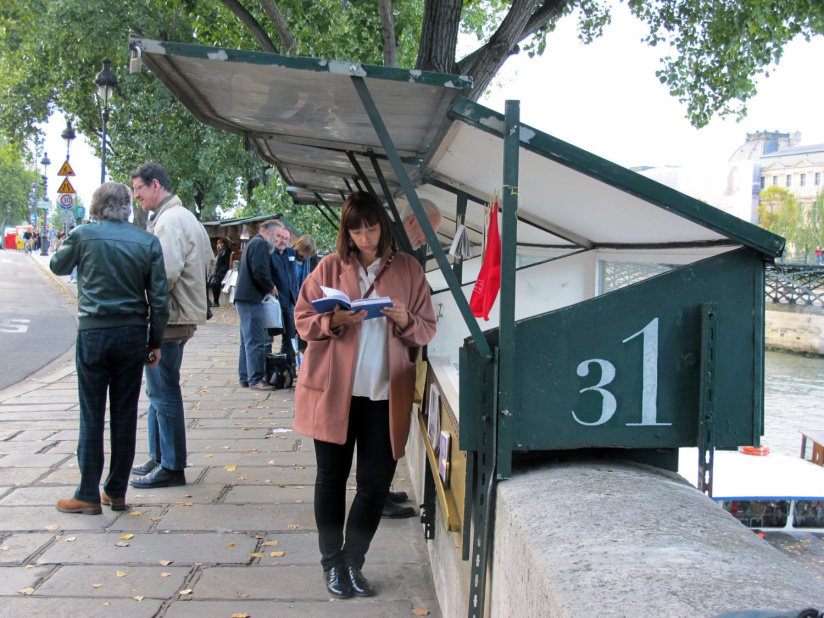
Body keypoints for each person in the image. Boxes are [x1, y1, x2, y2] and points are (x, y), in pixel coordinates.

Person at [293, 191, 437, 598]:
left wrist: (407, 320)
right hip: (335, 391)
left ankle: (353, 561)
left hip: (385, 394)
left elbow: (426, 328)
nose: (365, 236)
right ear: (347, 232)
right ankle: (331, 563)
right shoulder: (330, 267)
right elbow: (302, 318)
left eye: (371, 227)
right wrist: (334, 319)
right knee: (331, 479)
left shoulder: (408, 269)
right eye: (356, 229)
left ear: (383, 226)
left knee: (374, 485)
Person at [50, 182, 169, 514]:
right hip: (132, 335)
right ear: (128, 207)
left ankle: (87, 492)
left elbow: (57, 266)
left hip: (94, 333)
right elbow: (159, 300)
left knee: (91, 414)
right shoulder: (147, 241)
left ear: (95, 207)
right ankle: (115, 491)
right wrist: (155, 342)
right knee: (124, 414)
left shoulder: (84, 235)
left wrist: (72, 237)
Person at [129, 162, 214, 489]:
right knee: (158, 388)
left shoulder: (169, 221)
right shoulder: (185, 216)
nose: (137, 196)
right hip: (180, 316)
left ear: (154, 185)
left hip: (169, 319)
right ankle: (160, 456)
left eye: (138, 189)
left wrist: (142, 302)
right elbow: (206, 258)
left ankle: (172, 465)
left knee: (162, 390)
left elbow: (163, 273)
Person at [234, 220, 281, 391]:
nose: (277, 241)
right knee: (255, 340)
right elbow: (259, 271)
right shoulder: (260, 244)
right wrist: (270, 287)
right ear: (268, 232)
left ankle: (245, 377)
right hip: (252, 299)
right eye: (276, 236)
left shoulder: (252, 243)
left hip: (243, 297)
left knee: (246, 340)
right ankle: (255, 379)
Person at [271, 221, 299, 374]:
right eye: (280, 237)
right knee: (267, 339)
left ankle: (289, 368)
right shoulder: (269, 254)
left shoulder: (291, 254)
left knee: (289, 338)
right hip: (273, 302)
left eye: (286, 239)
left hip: (289, 302)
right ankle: (267, 370)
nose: (282, 240)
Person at [209, 238, 231, 307]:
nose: (219, 245)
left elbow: (226, 263)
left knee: (215, 283)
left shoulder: (226, 251)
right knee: (213, 283)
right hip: (218, 271)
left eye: (221, 243)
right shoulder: (221, 252)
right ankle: (215, 300)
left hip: (222, 271)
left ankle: (216, 301)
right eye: (218, 243)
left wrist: (220, 271)